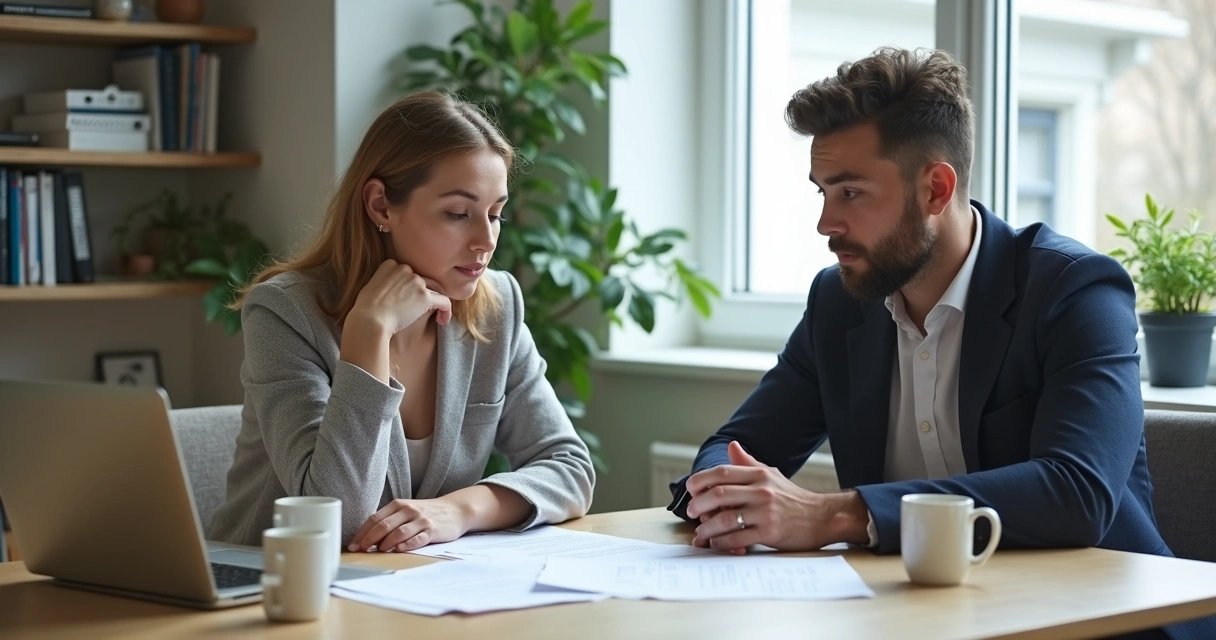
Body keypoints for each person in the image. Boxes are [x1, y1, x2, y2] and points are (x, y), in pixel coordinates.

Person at [668, 47, 1213, 640]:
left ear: (935, 188)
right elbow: (734, 444)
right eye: (821, 192)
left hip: (1102, 624)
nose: (826, 223)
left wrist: (831, 513)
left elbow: (1075, 493)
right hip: (921, 621)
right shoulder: (839, 302)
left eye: (850, 193)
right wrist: (725, 494)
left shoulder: (1074, 290)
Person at [210, 92, 594, 553]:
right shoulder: (285, 313)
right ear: (380, 206)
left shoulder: (498, 305)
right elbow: (336, 519)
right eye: (458, 214)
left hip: (413, 591)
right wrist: (369, 332)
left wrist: (460, 510)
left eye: (496, 214)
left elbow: (570, 468)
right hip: (273, 594)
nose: (485, 240)